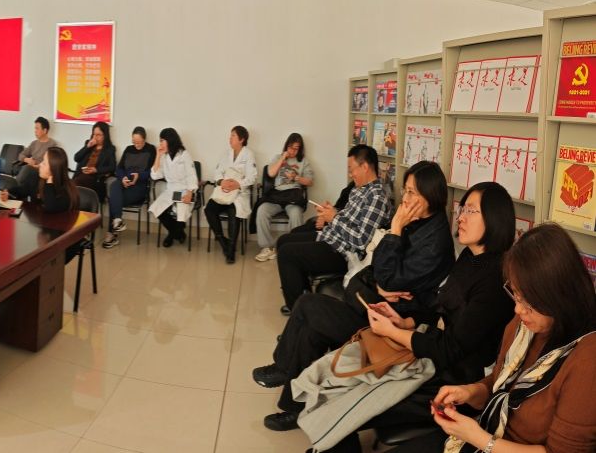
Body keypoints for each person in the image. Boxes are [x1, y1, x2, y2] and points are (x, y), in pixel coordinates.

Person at [313, 181, 519, 452]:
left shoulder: (495, 279)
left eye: (471, 211)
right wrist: (405, 322)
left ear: (494, 219)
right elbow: (442, 310)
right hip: (432, 354)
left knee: (352, 396)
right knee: (341, 381)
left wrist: (394, 332)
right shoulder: (469, 257)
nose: (461, 217)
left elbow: (451, 348)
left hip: (456, 381)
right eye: (462, 209)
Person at [254, 161, 454, 431]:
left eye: (412, 193)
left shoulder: (434, 241)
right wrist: (379, 282)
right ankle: (294, 404)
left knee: (308, 305)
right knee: (311, 328)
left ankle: (284, 369)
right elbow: (376, 265)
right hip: (375, 306)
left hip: (391, 326)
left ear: (431, 195)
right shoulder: (417, 223)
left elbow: (387, 277)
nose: (405, 199)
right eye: (405, 191)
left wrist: (394, 231)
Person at [389, 225, 596, 452]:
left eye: (528, 301)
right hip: (488, 431)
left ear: (559, 296)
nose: (518, 309)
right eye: (515, 294)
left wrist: (479, 439)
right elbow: (500, 383)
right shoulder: (526, 323)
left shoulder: (587, 359)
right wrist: (469, 392)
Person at [274, 144, 391, 314]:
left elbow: (361, 240)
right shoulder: (360, 189)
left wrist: (334, 218)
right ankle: (302, 294)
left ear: (365, 166)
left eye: (351, 169)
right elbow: (350, 218)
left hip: (344, 252)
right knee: (283, 241)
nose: (350, 174)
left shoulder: (376, 197)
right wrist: (332, 212)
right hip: (334, 237)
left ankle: (297, 310)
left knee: (287, 253)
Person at [254, 133, 314, 262]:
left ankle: (292, 248)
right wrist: (282, 158)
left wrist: (296, 177)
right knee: (262, 210)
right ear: (286, 146)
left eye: (296, 148)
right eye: (290, 147)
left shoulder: (303, 161)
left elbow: (310, 181)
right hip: (276, 195)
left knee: (296, 214)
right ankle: (267, 248)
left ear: (300, 149)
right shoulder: (278, 157)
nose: (292, 151)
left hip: (293, 196)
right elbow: (270, 173)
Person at [204, 125, 257, 264]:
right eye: (230, 135)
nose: (230, 138)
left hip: (239, 193)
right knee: (209, 209)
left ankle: (231, 248)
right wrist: (222, 182)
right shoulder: (226, 154)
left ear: (242, 139)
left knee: (234, 210)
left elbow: (252, 177)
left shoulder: (248, 154)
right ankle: (223, 241)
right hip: (224, 191)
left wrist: (238, 184)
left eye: (233, 136)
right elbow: (217, 172)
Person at [101, 127, 157, 249]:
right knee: (115, 184)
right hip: (125, 184)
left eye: (139, 142)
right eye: (134, 142)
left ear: (144, 139)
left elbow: (152, 172)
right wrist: (123, 178)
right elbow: (119, 169)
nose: (136, 145)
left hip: (139, 187)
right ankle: (117, 221)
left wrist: (139, 176)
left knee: (113, 200)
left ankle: (112, 233)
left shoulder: (151, 150)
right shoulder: (128, 149)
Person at [147, 128, 198, 248]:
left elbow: (191, 175)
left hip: (185, 190)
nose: (160, 144)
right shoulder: (163, 156)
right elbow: (155, 175)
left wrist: (190, 192)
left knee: (181, 213)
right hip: (170, 190)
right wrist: (158, 156)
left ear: (170, 140)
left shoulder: (184, 154)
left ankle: (173, 234)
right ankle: (178, 233)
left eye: (162, 141)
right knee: (157, 209)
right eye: (160, 141)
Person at [3, 146, 79, 213]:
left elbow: (50, 207)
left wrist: (50, 181)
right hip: (37, 222)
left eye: (44, 163)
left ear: (54, 169)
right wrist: (8, 193)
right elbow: (22, 190)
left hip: (57, 223)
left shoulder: (67, 190)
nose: (40, 164)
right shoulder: (36, 177)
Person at [14, 117, 62, 194]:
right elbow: (20, 155)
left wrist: (38, 166)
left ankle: (14, 189)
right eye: (35, 128)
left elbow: (52, 164)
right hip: (31, 170)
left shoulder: (52, 144)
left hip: (42, 171)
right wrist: (27, 160)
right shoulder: (34, 143)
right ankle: (16, 191)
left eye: (37, 128)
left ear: (45, 130)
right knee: (27, 170)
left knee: (27, 169)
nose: (35, 131)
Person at [72, 122, 116, 204]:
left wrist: (96, 170)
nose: (95, 137)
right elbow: (76, 158)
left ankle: (73, 207)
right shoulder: (89, 144)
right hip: (81, 175)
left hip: (96, 179)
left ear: (105, 135)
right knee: (72, 183)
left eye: (98, 135)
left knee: (75, 184)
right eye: (94, 134)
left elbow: (112, 167)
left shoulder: (110, 149)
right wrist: (87, 147)